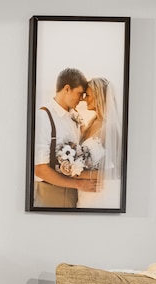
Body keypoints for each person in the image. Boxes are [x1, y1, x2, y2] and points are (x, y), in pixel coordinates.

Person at [33, 68, 98, 208]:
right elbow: (39, 168)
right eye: (79, 94)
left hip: (75, 193)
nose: (81, 99)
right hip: (50, 192)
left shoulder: (74, 117)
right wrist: (79, 184)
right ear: (67, 89)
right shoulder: (43, 117)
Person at [75, 77, 122, 208]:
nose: (84, 99)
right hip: (84, 192)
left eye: (88, 95)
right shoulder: (92, 122)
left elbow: (119, 170)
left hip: (99, 192)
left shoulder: (111, 127)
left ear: (99, 96)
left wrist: (81, 174)